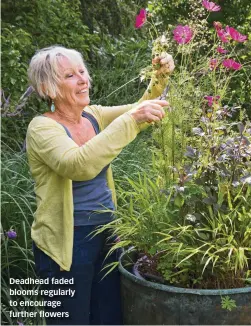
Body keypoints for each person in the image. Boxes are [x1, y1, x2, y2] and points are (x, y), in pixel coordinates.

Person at [25, 45, 174, 325]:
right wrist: (131, 120)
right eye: (70, 75)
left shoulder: (94, 115)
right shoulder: (42, 128)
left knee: (109, 317)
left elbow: (139, 111)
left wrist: (160, 76)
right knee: (71, 320)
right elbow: (78, 165)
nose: (83, 79)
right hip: (66, 243)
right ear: (48, 88)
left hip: (107, 233)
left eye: (82, 71)